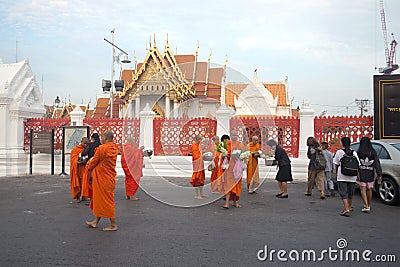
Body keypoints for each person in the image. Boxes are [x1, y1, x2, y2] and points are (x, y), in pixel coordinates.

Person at [85, 130, 119, 231]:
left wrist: (89, 166)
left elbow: (94, 161)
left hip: (103, 178)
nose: (101, 139)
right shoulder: (114, 147)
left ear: (106, 138)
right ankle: (95, 222)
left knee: (107, 201)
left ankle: (113, 225)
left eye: (102, 137)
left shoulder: (102, 148)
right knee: (100, 199)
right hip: (108, 177)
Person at [333, 137, 359, 217]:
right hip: (352, 176)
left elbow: (336, 164)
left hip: (342, 175)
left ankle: (346, 208)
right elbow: (358, 164)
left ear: (342, 143)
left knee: (343, 193)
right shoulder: (354, 152)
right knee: (350, 193)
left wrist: (337, 173)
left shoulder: (339, 152)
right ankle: (349, 206)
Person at [357, 136, 382, 213]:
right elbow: (377, 164)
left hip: (361, 172)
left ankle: (366, 205)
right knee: (369, 189)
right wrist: (379, 174)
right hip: (370, 172)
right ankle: (368, 204)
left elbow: (357, 163)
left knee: (363, 190)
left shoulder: (359, 152)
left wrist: (356, 172)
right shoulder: (373, 152)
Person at [223, 130, 245, 209]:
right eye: (233, 135)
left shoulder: (240, 144)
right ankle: (227, 203)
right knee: (228, 184)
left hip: (237, 168)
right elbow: (223, 154)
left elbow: (243, 155)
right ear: (230, 135)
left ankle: (235, 202)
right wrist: (226, 155)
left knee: (237, 185)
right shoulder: (227, 144)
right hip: (229, 167)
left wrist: (239, 157)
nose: (234, 137)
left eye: (235, 135)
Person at [81, 133, 101, 203]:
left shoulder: (90, 145)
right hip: (100, 165)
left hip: (91, 164)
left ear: (92, 138)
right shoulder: (102, 145)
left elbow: (83, 153)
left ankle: (91, 197)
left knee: (90, 182)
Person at [69, 137, 89, 202]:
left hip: (84, 169)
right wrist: (78, 159)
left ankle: (84, 196)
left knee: (84, 182)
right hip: (77, 169)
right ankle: (78, 197)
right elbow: (73, 158)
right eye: (84, 143)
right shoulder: (76, 149)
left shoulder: (88, 149)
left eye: (87, 143)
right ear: (81, 142)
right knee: (77, 182)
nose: (85, 145)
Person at [190, 135, 206, 199]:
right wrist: (202, 153)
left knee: (201, 178)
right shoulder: (194, 145)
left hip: (201, 164)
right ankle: (197, 195)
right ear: (196, 139)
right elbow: (196, 155)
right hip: (197, 164)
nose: (200, 141)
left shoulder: (199, 146)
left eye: (201, 139)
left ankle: (201, 193)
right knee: (196, 178)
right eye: (199, 139)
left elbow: (201, 153)